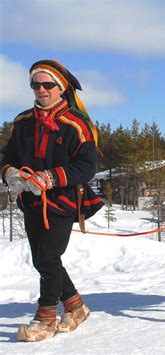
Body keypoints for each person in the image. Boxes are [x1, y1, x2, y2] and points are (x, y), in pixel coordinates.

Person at [1, 60, 104, 342]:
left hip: (63, 201)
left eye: (48, 85)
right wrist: (9, 173)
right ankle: (75, 306)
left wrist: (50, 178)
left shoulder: (77, 123)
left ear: (61, 88)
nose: (42, 90)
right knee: (43, 259)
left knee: (47, 256)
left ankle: (46, 317)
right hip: (30, 201)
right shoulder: (22, 122)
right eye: (36, 85)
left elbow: (87, 167)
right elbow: (7, 156)